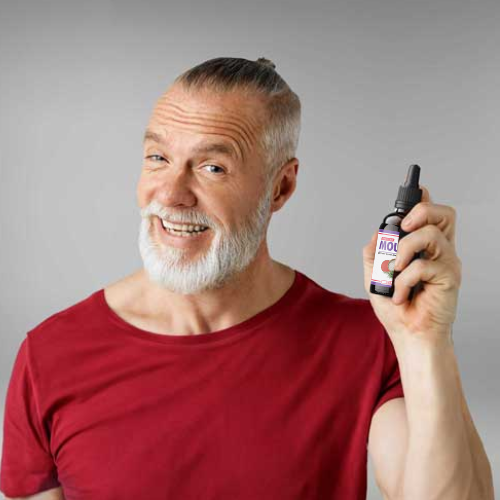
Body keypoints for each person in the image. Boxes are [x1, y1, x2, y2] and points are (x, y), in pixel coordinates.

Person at [2, 57, 491, 500]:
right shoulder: (50, 356)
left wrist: (425, 342)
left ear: (281, 187)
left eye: (213, 167)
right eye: (158, 158)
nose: (172, 194)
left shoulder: (370, 341)